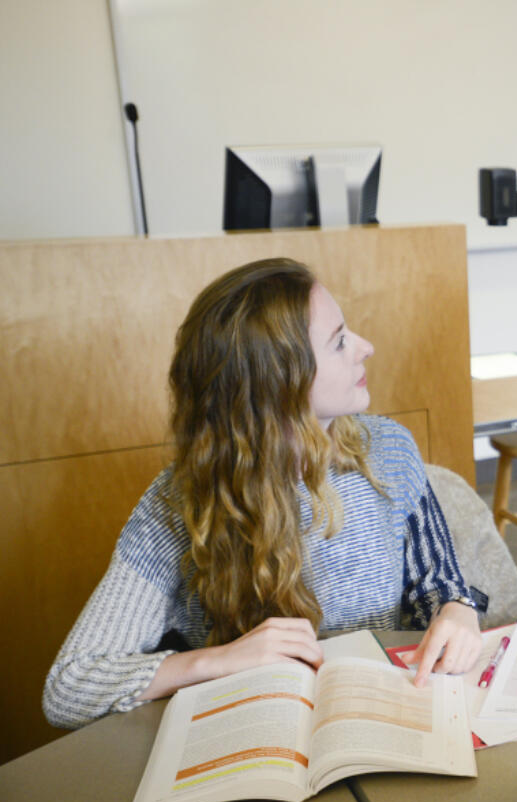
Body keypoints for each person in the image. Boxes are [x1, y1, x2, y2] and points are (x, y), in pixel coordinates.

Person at [44, 258, 482, 730]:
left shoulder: (388, 450)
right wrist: (220, 660)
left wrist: (458, 611)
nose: (365, 348)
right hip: (251, 739)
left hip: (377, 720)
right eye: (338, 342)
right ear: (277, 385)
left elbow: (438, 584)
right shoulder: (180, 502)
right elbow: (70, 689)